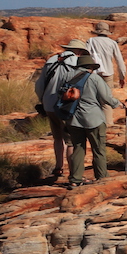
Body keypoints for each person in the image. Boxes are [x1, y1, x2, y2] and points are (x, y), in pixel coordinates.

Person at [53, 41, 117, 186]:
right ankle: (102, 178)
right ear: (91, 67)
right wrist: (118, 104)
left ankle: (75, 179)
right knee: (99, 149)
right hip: (93, 118)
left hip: (73, 118)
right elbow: (106, 98)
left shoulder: (67, 76)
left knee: (78, 148)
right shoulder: (94, 78)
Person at [33, 43, 74, 182]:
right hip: (66, 106)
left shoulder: (52, 60)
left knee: (57, 137)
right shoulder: (76, 62)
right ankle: (74, 172)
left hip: (49, 105)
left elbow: (39, 85)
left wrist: (43, 101)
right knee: (71, 141)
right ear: (79, 51)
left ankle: (58, 167)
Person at [84, 19, 127, 90]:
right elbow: (119, 61)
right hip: (108, 74)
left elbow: (85, 56)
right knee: (108, 96)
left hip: (93, 73)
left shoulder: (90, 41)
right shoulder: (112, 43)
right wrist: (122, 77)